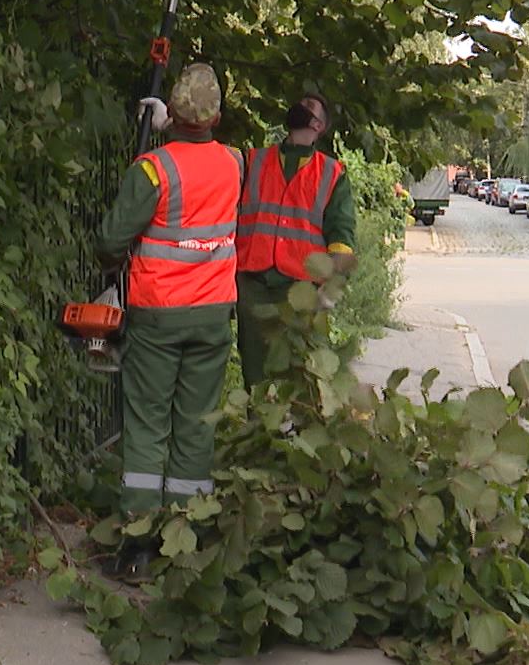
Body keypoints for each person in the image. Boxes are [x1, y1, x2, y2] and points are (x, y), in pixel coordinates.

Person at [95, 62, 243, 579]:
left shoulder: (153, 170)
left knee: (147, 427)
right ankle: (188, 537)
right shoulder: (235, 165)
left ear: (172, 114)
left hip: (159, 315)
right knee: (195, 425)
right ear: (217, 116)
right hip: (212, 317)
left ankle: (138, 543)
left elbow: (111, 241)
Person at [233, 93, 356, 388]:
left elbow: (341, 234)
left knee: (298, 376)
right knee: (255, 374)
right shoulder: (254, 160)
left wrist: (332, 286)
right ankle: (256, 431)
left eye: (309, 107)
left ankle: (294, 432)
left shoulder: (331, 173)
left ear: (318, 125)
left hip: (301, 291)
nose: (299, 108)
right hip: (253, 286)